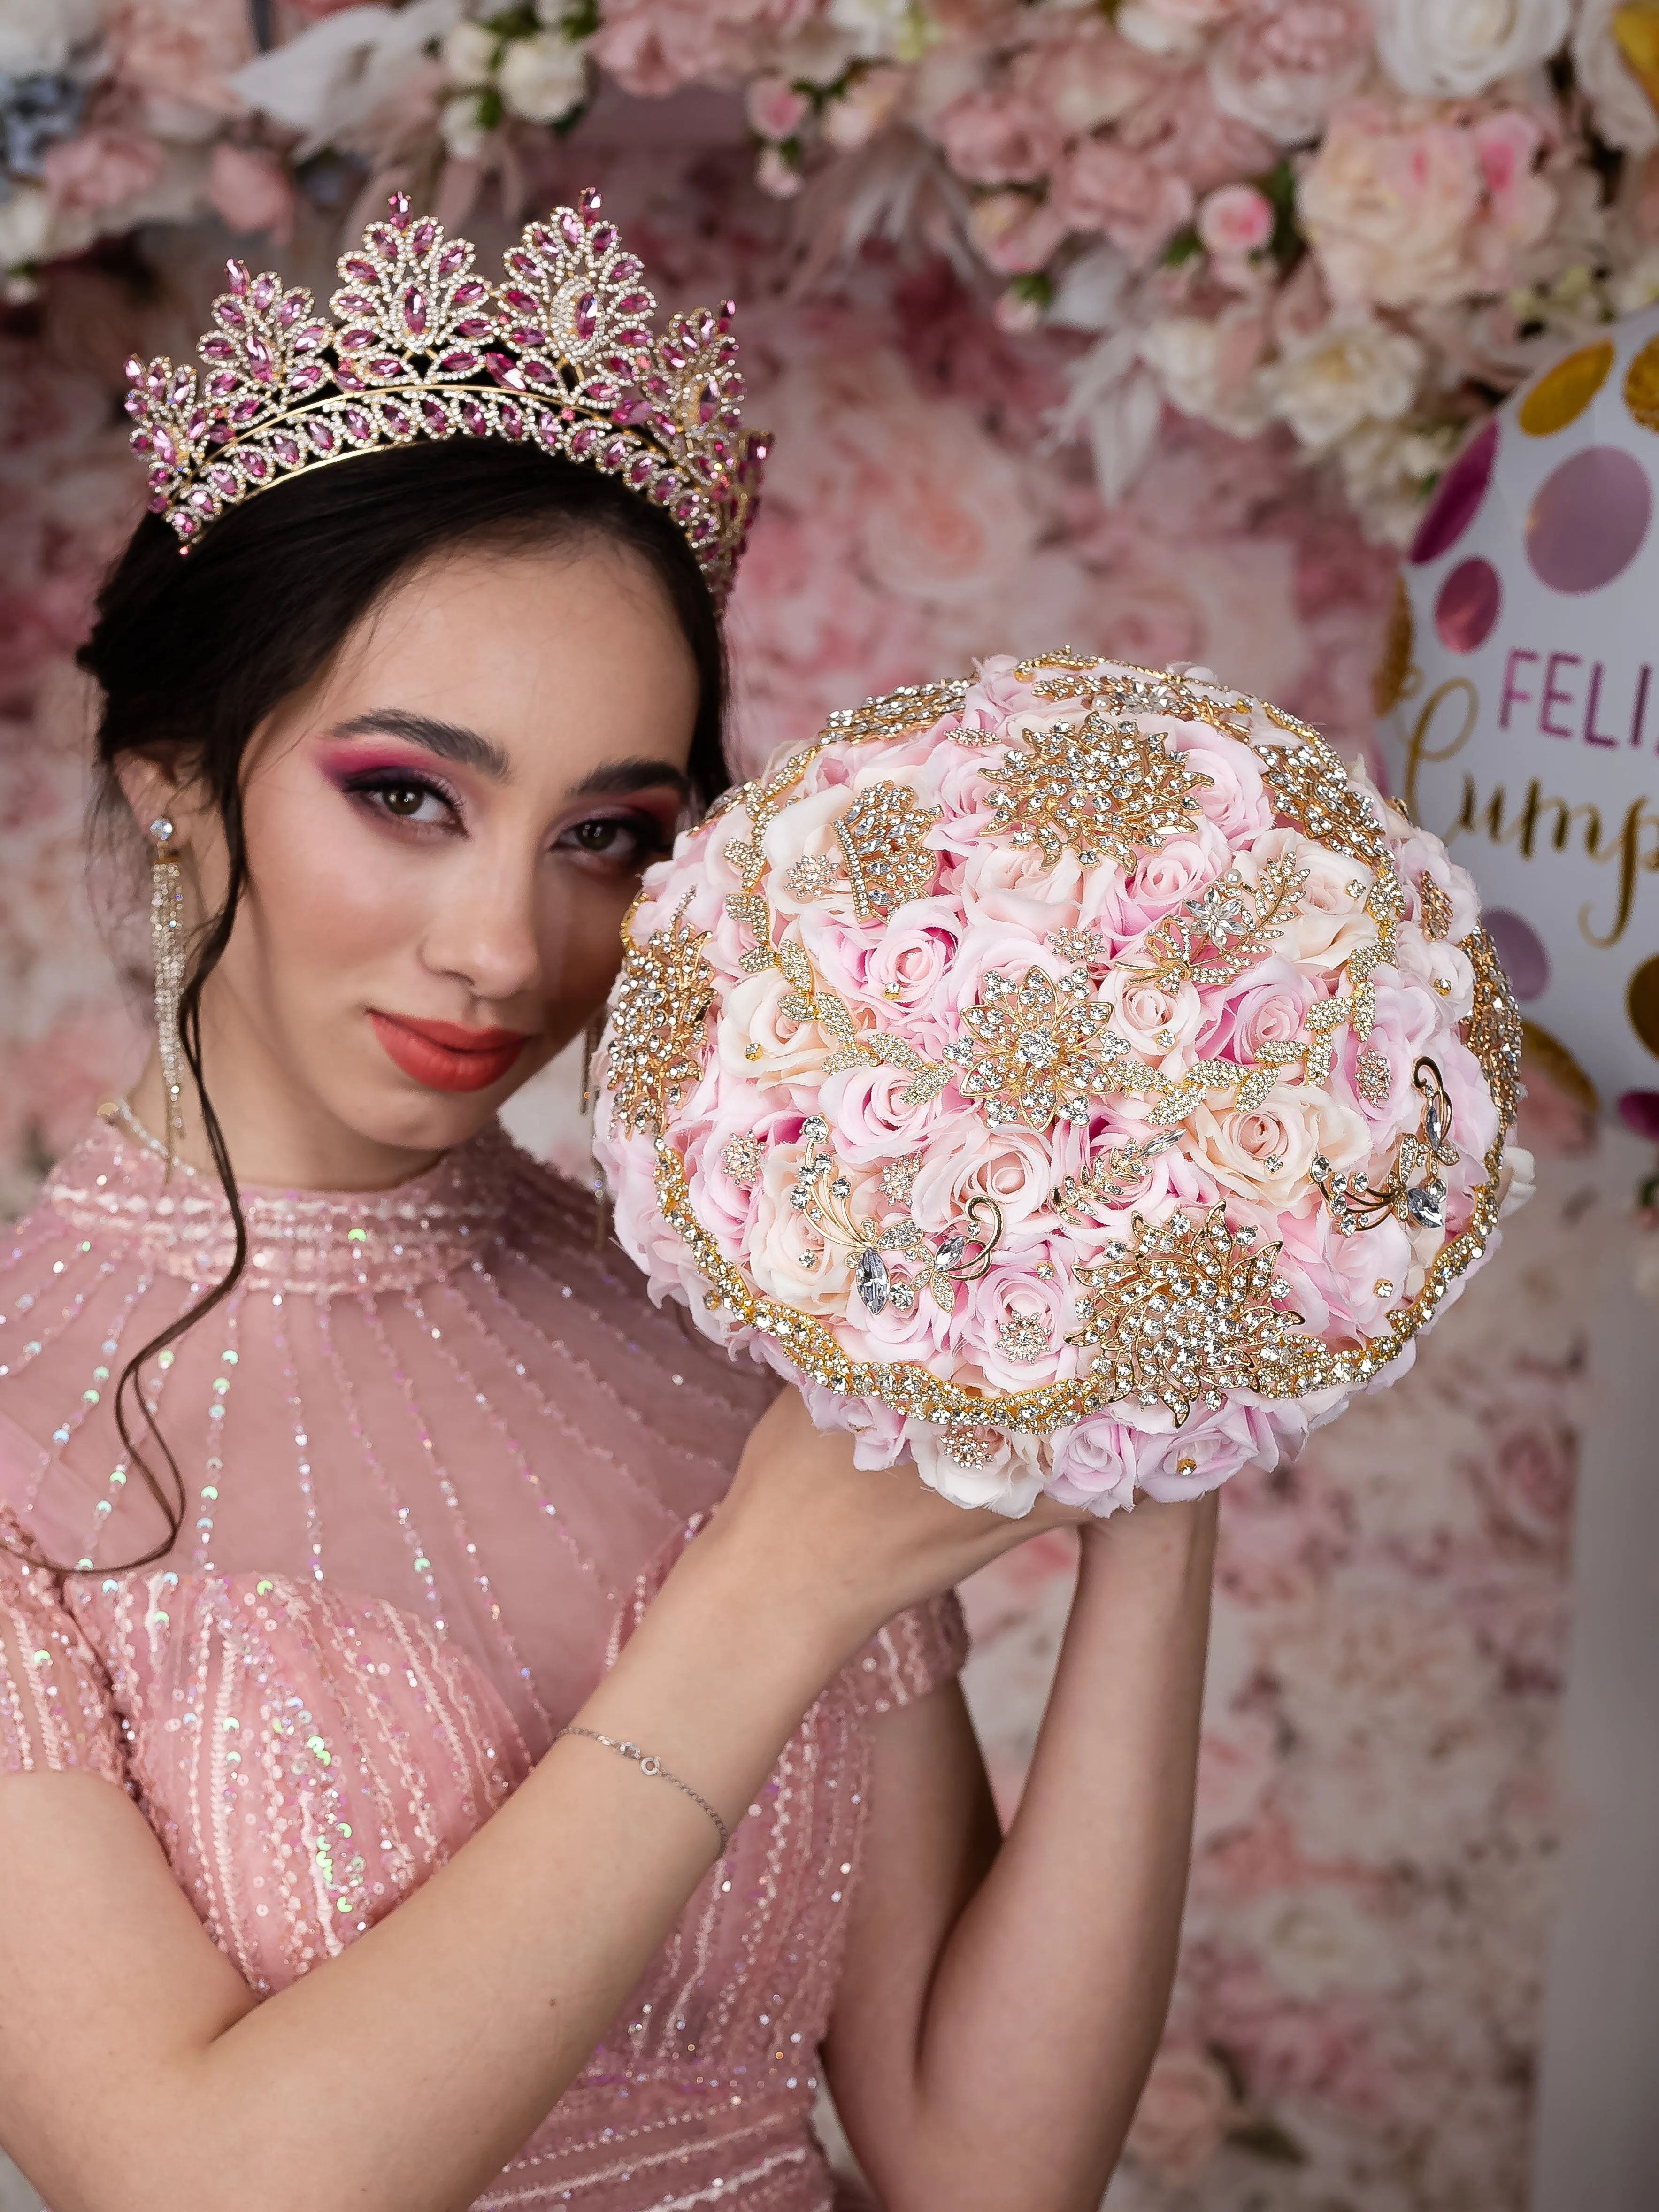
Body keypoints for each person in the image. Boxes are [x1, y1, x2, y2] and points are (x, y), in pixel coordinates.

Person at [0, 194, 1217, 2212]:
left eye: (609, 834)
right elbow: (198, 2180)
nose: (506, 944)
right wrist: (765, 1593)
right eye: (405, 792)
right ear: (173, 770)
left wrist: (1179, 1439)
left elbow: (983, 2159)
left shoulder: (724, 1304)